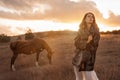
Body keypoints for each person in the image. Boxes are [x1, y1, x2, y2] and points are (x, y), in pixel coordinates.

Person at [72, 12, 100, 80]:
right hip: (78, 57)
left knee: (89, 77)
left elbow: (95, 46)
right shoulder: (80, 30)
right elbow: (76, 43)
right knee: (79, 78)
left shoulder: (96, 31)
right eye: (88, 16)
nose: (91, 18)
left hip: (88, 58)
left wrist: (87, 44)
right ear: (84, 19)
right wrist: (87, 41)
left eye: (92, 17)